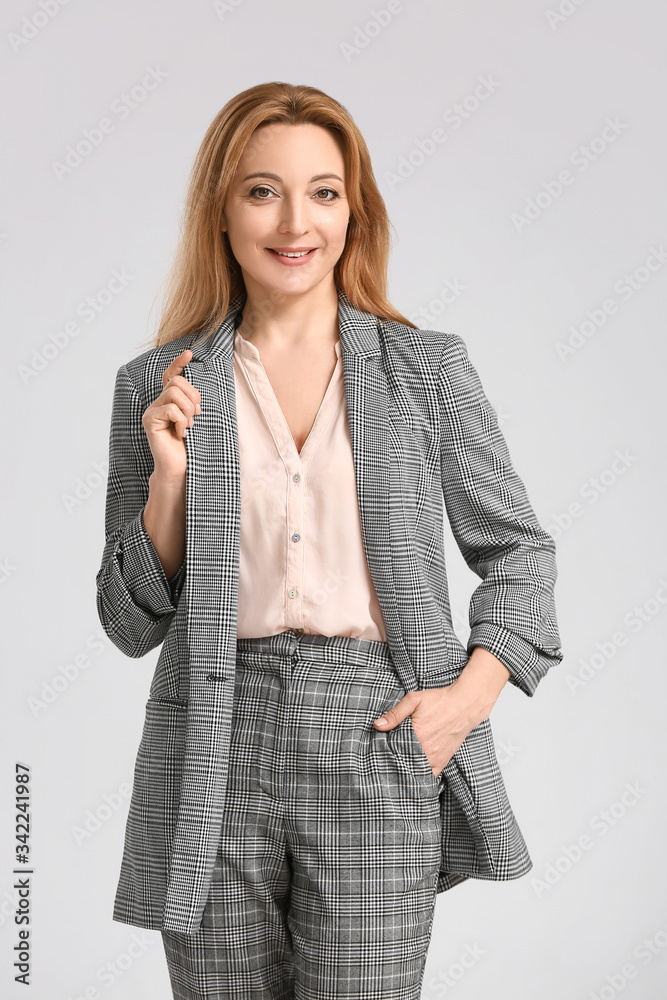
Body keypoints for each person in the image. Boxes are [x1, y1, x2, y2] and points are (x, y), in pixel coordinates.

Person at [96, 81, 563, 1000]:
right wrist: (168, 484)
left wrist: (463, 701)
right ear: (222, 212)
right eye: (262, 190)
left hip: (373, 729)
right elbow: (125, 622)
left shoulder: (423, 370)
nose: (294, 220)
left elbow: (520, 551)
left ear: (354, 210)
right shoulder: (157, 383)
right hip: (210, 741)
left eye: (323, 190)